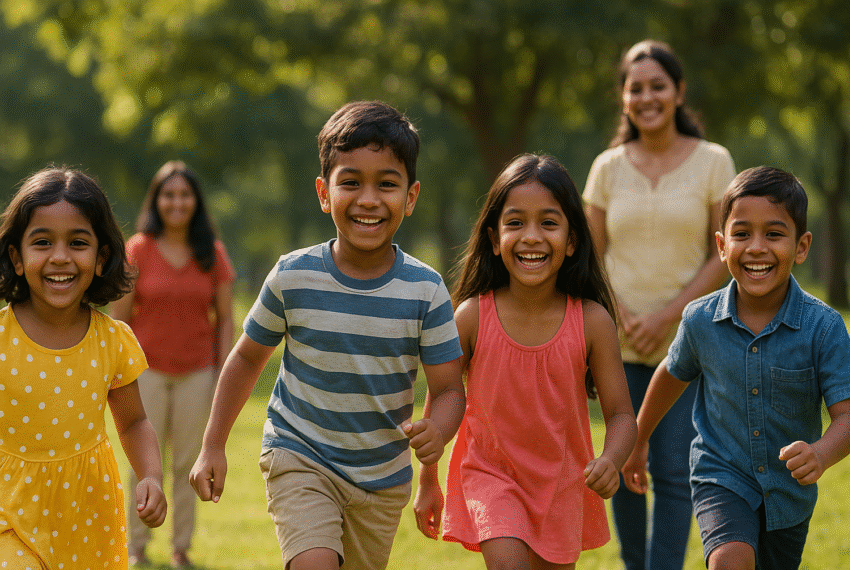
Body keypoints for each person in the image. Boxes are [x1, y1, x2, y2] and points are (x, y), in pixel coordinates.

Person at [189, 100, 466, 570]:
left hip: (381, 477)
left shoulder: (426, 289)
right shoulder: (292, 276)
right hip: (300, 452)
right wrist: (213, 443)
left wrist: (438, 433)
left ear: (411, 197)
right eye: (351, 182)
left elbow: (448, 389)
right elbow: (246, 358)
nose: (368, 199)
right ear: (323, 192)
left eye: (387, 184)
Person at [622, 166, 850, 570]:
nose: (756, 247)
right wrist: (639, 439)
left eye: (773, 234)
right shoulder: (700, 320)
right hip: (720, 475)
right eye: (741, 233)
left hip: (788, 494)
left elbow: (849, 417)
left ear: (801, 246)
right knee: (730, 560)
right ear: (721, 245)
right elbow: (671, 374)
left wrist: (821, 454)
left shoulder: (823, 327)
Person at [413, 154, 637, 569]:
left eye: (548, 223)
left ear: (572, 241)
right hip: (490, 475)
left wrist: (611, 460)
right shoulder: (471, 317)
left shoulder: (592, 322)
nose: (531, 236)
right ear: (495, 239)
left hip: (562, 486)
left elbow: (622, 413)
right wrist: (428, 480)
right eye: (515, 223)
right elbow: (445, 394)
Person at [582, 39, 736, 570]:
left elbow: (723, 252)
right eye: (635, 87)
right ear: (623, 98)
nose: (647, 96)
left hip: (686, 342)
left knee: (673, 468)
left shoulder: (714, 161)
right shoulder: (606, 168)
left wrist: (667, 317)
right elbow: (590, 254)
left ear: (678, 92)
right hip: (616, 344)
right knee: (623, 465)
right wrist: (623, 316)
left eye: (657, 85)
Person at [0, 167, 167, 568]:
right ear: (16, 258)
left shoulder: (111, 340)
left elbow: (133, 423)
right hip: (10, 505)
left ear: (101, 257)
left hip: (88, 511)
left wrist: (151, 476)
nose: (60, 257)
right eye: (42, 242)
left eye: (78, 243)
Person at [112, 161, 235, 567]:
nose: (177, 202)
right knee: (142, 462)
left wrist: (223, 372)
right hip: (144, 372)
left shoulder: (211, 253)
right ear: (157, 200)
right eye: (169, 194)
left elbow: (225, 319)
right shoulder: (138, 249)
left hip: (197, 373)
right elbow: (119, 318)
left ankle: (180, 547)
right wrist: (115, 372)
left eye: (184, 194)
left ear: (195, 201)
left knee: (188, 462)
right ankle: (135, 546)